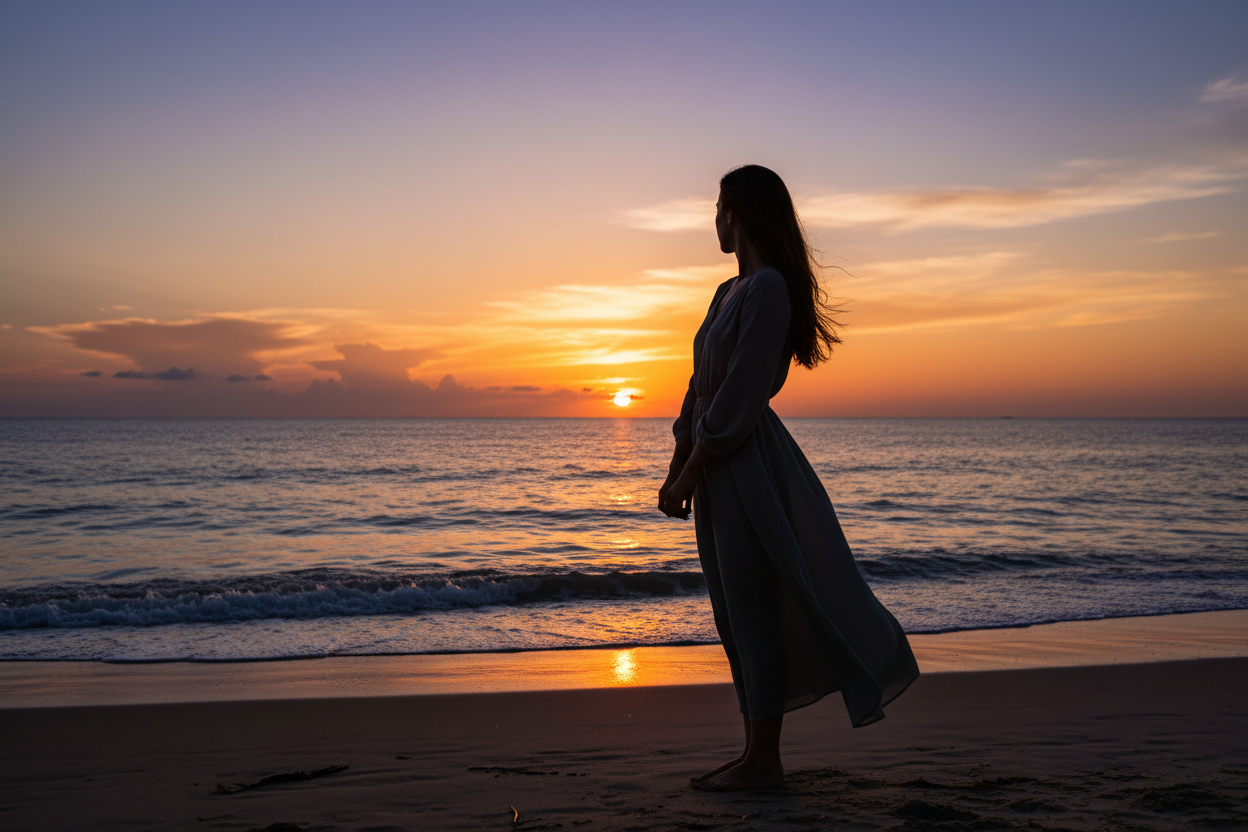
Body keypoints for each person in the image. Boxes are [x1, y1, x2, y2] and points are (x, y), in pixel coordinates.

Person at [658, 164, 919, 792]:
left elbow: (741, 395)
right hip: (715, 464)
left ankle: (765, 760)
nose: (713, 220)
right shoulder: (727, 293)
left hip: (746, 464)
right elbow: (699, 388)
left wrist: (695, 466)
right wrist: (678, 457)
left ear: (740, 212)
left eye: (719, 207)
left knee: (754, 610)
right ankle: (753, 751)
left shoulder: (770, 289)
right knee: (730, 611)